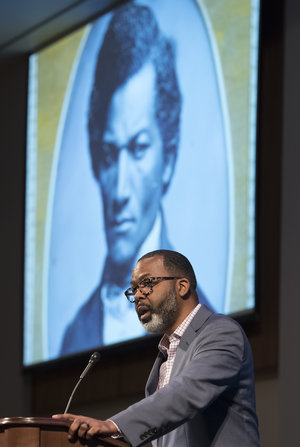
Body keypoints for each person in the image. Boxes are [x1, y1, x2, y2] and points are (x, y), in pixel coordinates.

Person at [59, 3, 210, 355]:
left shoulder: (209, 322)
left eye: (139, 148)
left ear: (169, 158)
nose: (120, 190)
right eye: (110, 154)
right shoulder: (74, 335)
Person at [54, 249, 260, 447]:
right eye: (133, 289)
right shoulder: (164, 355)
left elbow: (186, 393)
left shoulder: (221, 332)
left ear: (182, 286)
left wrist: (113, 425)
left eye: (147, 283)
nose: (138, 296)